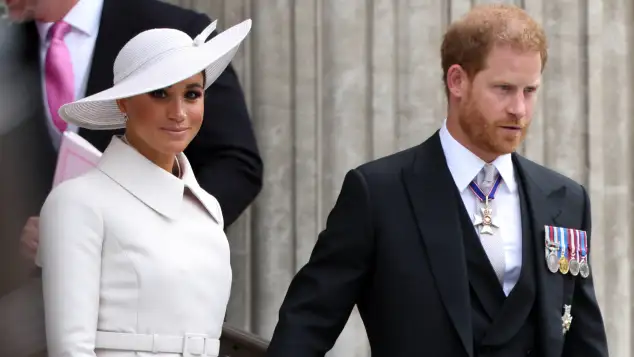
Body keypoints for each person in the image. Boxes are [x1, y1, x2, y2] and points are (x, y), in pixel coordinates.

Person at [265, 4, 608, 357]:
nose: (519, 109)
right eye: (503, 88)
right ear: (457, 80)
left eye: (530, 91)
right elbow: (306, 325)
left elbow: (584, 341)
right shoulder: (379, 195)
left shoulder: (566, 199)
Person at [37, 18, 251, 356]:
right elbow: (70, 348)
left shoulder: (207, 208)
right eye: (160, 94)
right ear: (124, 103)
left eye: (192, 94)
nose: (178, 112)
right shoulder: (77, 202)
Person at [4, 0, 263, 266]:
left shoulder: (173, 30)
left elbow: (235, 164)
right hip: (26, 295)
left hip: (155, 283)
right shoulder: (8, 48)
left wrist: (148, 229)